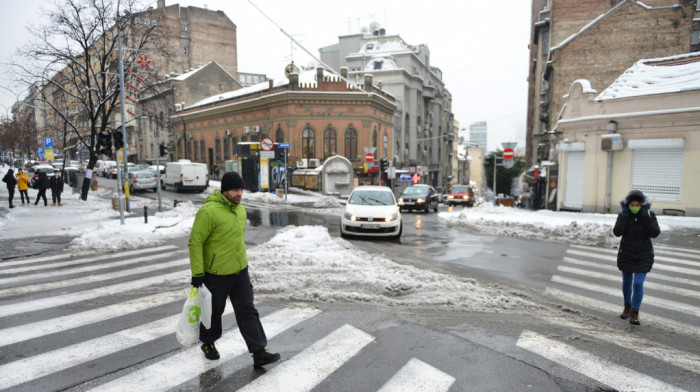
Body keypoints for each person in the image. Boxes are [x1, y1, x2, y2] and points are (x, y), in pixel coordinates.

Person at [188, 171, 280, 367]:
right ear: (225, 191)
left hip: (240, 272)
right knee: (214, 312)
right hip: (216, 275)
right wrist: (197, 274)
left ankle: (259, 351)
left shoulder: (240, 210)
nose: (239, 194)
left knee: (247, 310)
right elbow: (195, 242)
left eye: (241, 189)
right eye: (235, 190)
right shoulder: (208, 211)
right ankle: (208, 343)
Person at [613, 189, 660, 326]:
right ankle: (627, 307)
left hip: (643, 254)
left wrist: (645, 217)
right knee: (627, 282)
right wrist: (624, 216)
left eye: (637, 205)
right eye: (631, 205)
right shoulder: (623, 215)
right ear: (627, 205)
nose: (634, 207)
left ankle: (635, 312)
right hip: (626, 252)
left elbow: (655, 233)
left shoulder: (650, 215)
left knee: (638, 283)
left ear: (642, 205)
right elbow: (617, 232)